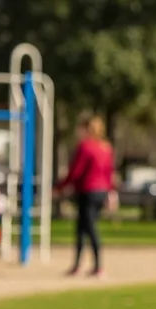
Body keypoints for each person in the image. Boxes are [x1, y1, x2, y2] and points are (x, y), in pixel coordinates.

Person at [55, 113, 117, 278]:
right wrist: (111, 191)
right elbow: (109, 172)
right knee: (82, 228)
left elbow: (76, 171)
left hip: (87, 191)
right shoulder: (106, 147)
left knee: (89, 228)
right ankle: (77, 265)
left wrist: (60, 186)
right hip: (101, 192)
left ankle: (98, 266)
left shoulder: (85, 146)